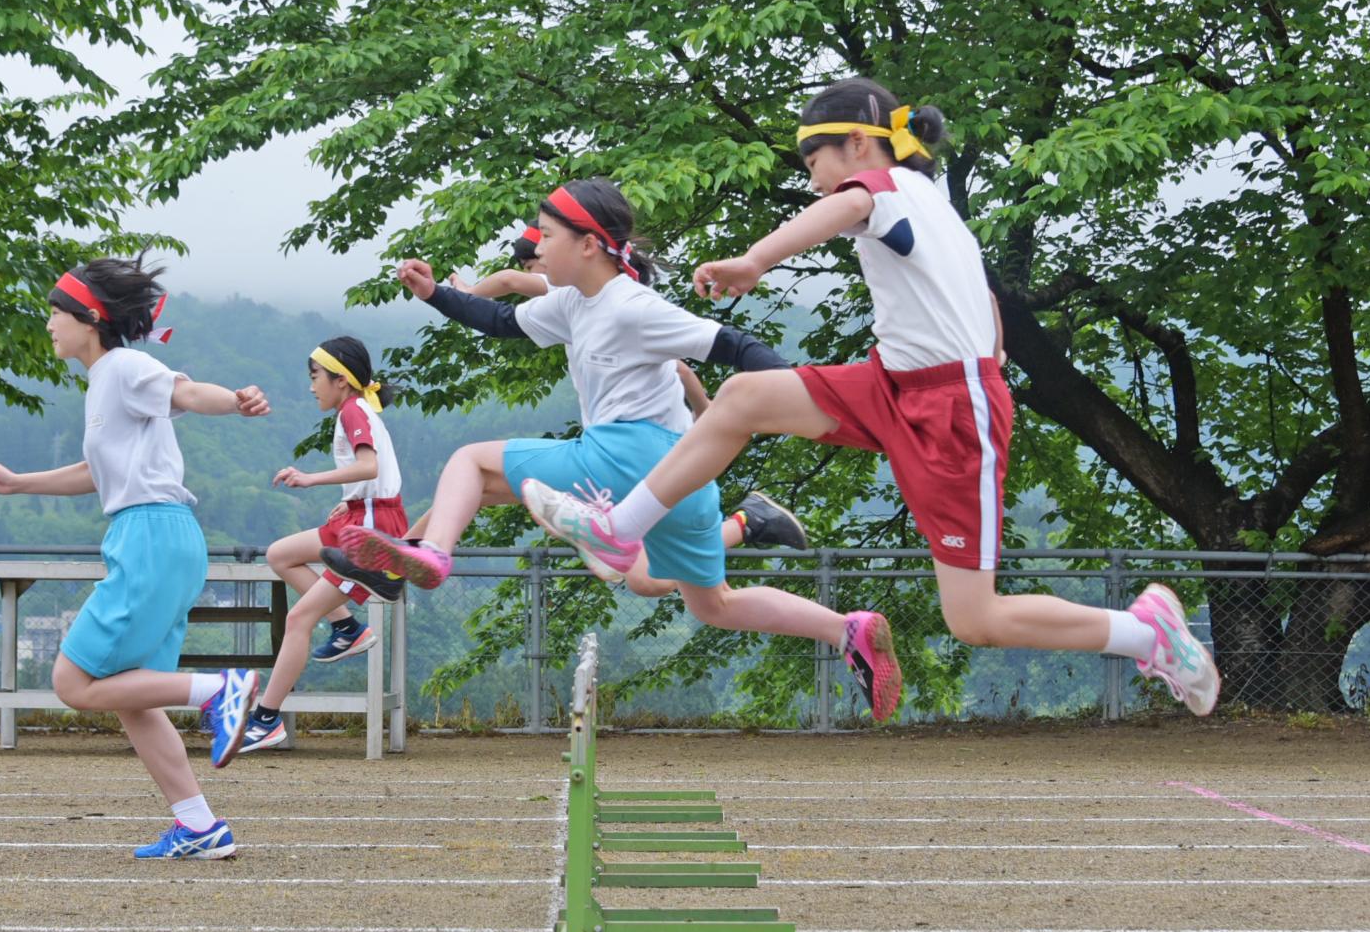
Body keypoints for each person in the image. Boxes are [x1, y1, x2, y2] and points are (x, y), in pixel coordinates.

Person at [523, 80, 1220, 717]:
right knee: (740, 398)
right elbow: (979, 299)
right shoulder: (933, 208)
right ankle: (622, 530)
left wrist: (754, 261)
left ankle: (1144, 632)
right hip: (892, 381)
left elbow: (850, 204)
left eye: (812, 164)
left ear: (858, 141)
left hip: (951, 408)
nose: (814, 181)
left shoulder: (882, 186)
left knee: (975, 618)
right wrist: (988, 338)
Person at [333, 177, 901, 711]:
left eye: (546, 236)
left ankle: (430, 554)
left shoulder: (633, 306)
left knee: (470, 464)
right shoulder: (572, 302)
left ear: (587, 245)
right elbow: (502, 319)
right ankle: (845, 627)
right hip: (685, 476)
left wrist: (789, 394)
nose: (537, 247)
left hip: (625, 454)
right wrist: (436, 294)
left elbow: (733, 343)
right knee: (709, 602)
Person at [0, 255, 269, 858]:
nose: (48, 325)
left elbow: (186, 390)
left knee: (73, 681)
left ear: (89, 317)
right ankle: (198, 826)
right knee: (130, 694)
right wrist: (19, 482)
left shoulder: (125, 365)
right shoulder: (104, 381)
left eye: (55, 314)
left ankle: (219, 691)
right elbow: (96, 471)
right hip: (159, 534)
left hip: (150, 536)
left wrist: (236, 401)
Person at [240, 336, 405, 753]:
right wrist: (346, 498)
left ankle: (266, 718)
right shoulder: (356, 408)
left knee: (298, 620)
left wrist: (310, 479)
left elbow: (369, 465)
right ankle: (347, 625)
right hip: (361, 513)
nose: (312, 386)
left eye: (316, 377)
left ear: (342, 380)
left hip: (371, 524)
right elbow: (370, 474)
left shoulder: (352, 409)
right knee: (280, 554)